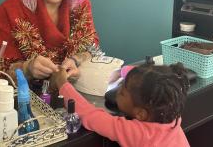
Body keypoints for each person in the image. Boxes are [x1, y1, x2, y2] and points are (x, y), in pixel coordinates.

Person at [50, 62, 190, 147]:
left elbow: (89, 115)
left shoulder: (137, 134)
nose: (117, 91)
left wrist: (62, 83)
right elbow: (148, 76)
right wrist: (122, 72)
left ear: (140, 113)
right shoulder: (173, 119)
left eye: (122, 92)